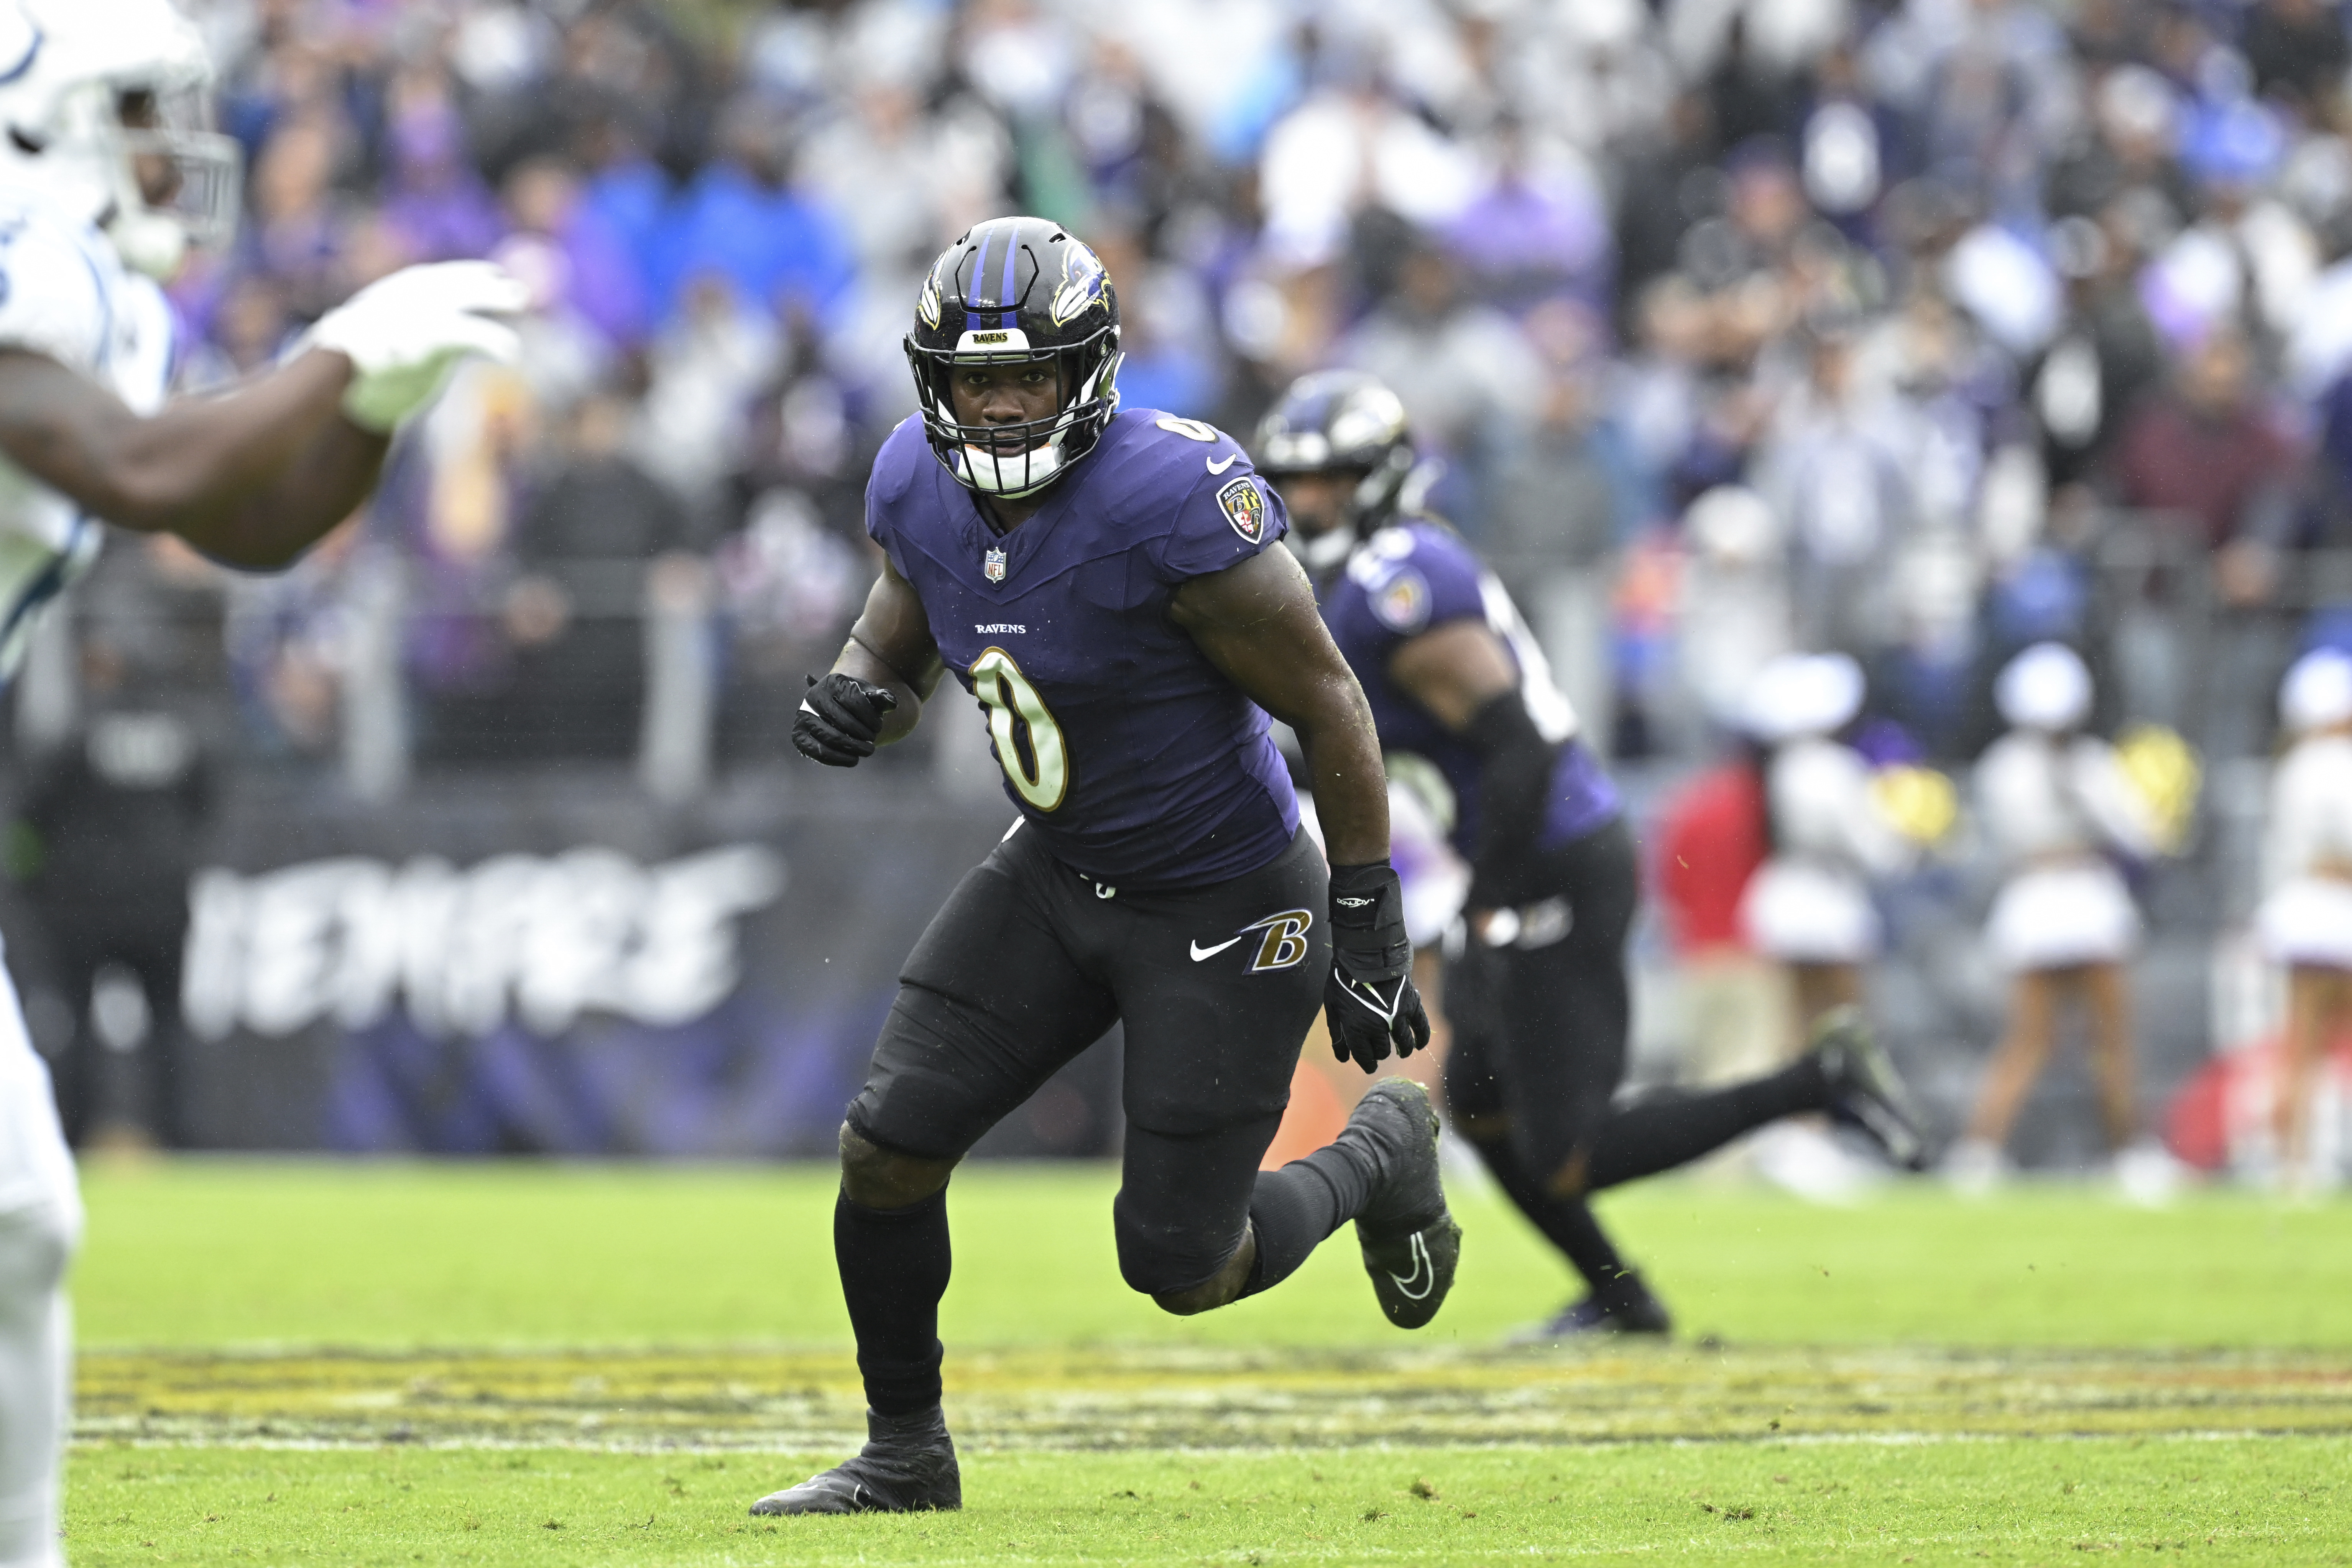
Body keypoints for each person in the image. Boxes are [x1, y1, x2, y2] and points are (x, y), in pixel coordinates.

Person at [761, 217, 1453, 1517]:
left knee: (1181, 1267)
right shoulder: (916, 478)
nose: (1004, 403)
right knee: (885, 1150)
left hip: (1223, 894)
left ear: (1089, 371)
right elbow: (899, 632)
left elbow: (1332, 707)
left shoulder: (1171, 501)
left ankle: (1379, 1151)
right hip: (1059, 867)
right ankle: (905, 1452)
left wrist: (1365, 917)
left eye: (1028, 375)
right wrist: (857, 693)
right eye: (978, 381)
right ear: (934, 384)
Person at [0, 5, 526, 1564]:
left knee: (26, 1220)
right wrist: (334, 356)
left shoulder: (97, 293)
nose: (184, 147)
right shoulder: (25, 258)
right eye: (147, 109)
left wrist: (368, 407)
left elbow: (243, 525)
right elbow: (151, 471)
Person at [1254, 370, 1928, 1339]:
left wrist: (1488, 898)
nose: (1310, 501)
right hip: (1523, 857)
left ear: (1383, 476)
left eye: (1332, 479)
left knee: (1563, 1149)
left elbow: (1518, 747)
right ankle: (1622, 1300)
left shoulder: (1396, 581)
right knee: (1477, 1105)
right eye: (1296, 481)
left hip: (1553, 862)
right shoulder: (1370, 578)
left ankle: (1815, 1081)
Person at [1944, 643, 2173, 1202]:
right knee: (2094, 1041)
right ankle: (2124, 1156)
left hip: (2037, 903)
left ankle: (1980, 1155)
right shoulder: (2089, 762)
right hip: (2081, 897)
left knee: (2040, 1041)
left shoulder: (2004, 764)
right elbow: (2138, 835)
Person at [2257, 648, 2352, 1193]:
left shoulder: (2289, 765)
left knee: (2300, 1045)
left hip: (2298, 915)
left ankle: (2292, 1165)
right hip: (2338, 911)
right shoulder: (2340, 762)